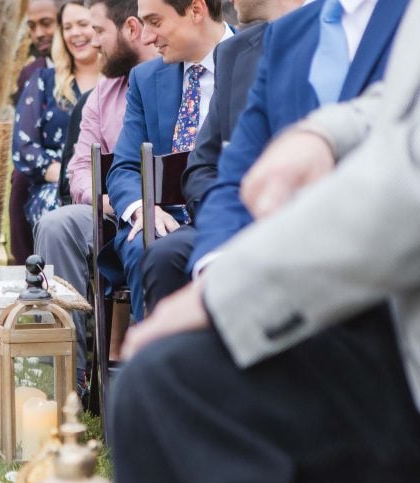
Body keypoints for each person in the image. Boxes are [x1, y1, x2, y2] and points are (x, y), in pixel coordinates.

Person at [108, 0, 420, 483]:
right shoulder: (283, 40)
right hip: (343, 346)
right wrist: (325, 136)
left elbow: (405, 181)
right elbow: (227, 173)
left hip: (392, 324)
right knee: (162, 387)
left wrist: (232, 293)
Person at [140, 0, 404, 313]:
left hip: (353, 219)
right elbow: (205, 166)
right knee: (166, 256)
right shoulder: (236, 53)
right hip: (244, 218)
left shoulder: (388, 24)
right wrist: (231, 226)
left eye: (153, 21)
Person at [31, 0, 159, 388]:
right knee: (56, 225)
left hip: (165, 215)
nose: (93, 43)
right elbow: (78, 169)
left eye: (100, 31)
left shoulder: (174, 79)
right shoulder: (104, 93)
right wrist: (105, 199)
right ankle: (70, 375)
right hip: (108, 212)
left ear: (131, 30)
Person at [100, 0, 231, 321]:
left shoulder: (257, 59)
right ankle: (160, 362)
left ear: (196, 10)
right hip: (161, 222)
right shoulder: (145, 79)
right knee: (147, 248)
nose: (145, 37)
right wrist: (141, 209)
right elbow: (124, 168)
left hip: (230, 213)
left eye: (154, 21)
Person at [12, 0, 101, 232]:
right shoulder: (43, 80)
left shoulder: (120, 83)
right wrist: (68, 178)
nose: (75, 34)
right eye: (67, 27)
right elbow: (24, 146)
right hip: (54, 187)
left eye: (83, 24)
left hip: (110, 185)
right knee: (60, 216)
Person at [8, 0, 59, 266]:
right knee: (20, 178)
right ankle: (25, 265)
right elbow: (25, 138)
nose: (38, 33)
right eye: (32, 26)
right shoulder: (31, 73)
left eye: (46, 23)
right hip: (42, 164)